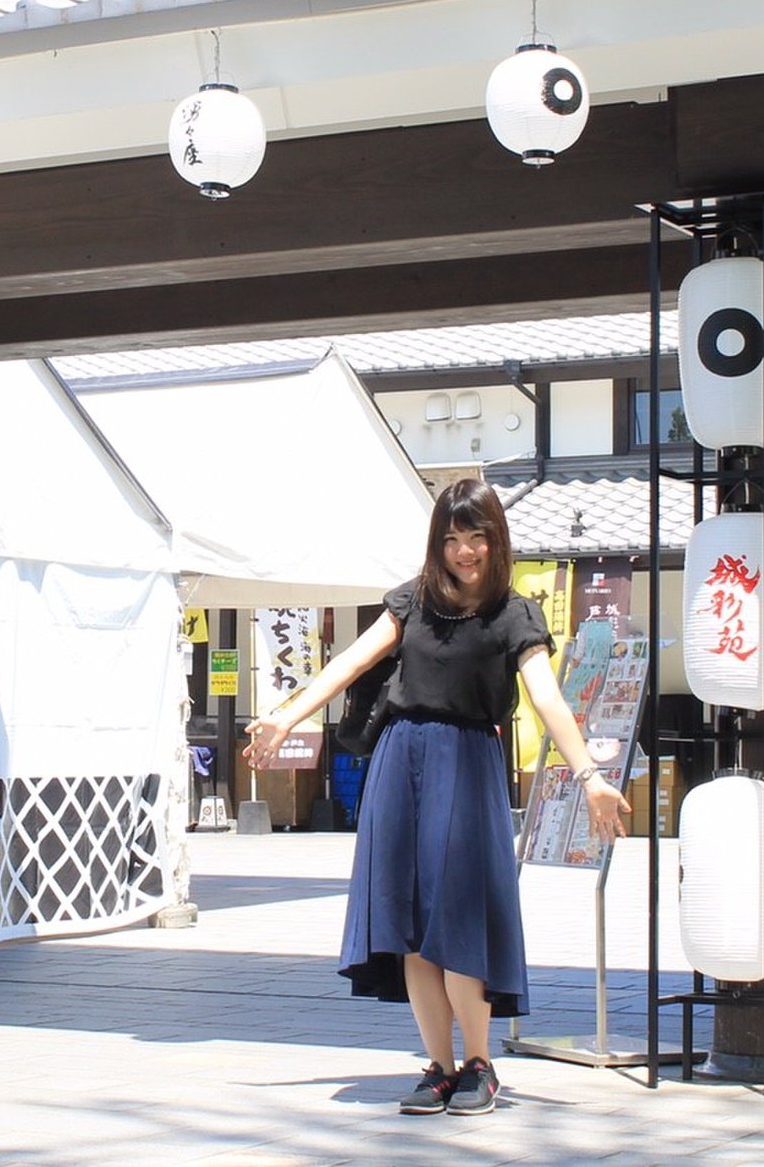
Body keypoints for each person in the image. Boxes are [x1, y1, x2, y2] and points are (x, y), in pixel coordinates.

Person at [246, 478, 631, 1117]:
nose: (465, 551)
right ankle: (440, 1067)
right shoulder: (412, 601)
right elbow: (348, 663)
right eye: (452, 539)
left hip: (467, 760)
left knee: (459, 917)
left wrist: (589, 774)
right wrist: (287, 717)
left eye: (477, 537)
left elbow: (546, 697)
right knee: (412, 927)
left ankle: (480, 1064)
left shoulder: (515, 613)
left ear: (495, 540)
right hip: (400, 760)